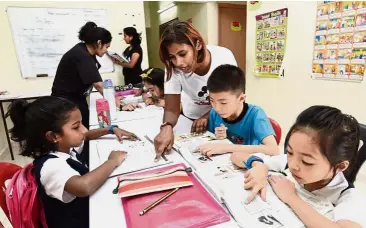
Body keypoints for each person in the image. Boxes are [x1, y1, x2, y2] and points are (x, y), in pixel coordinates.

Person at [7, 96, 138, 228]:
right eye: (76, 127)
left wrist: (111, 129)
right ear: (53, 136)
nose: (84, 130)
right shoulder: (49, 167)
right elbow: (84, 186)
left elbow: (86, 135)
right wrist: (112, 161)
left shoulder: (64, 146)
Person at [231, 105, 366, 227]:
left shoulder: (347, 196)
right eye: (290, 152)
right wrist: (258, 165)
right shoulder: (286, 163)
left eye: (307, 162)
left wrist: (291, 197)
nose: (293, 165)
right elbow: (237, 156)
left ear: (340, 166)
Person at [154, 20, 237, 159]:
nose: (178, 63)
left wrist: (207, 117)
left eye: (182, 54)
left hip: (222, 118)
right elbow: (171, 108)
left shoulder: (223, 57)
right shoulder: (173, 68)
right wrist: (167, 126)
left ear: (197, 44)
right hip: (192, 119)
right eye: (172, 57)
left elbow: (231, 98)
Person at [196, 65, 279, 157]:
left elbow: (273, 150)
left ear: (241, 98)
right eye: (212, 101)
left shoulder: (256, 114)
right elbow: (210, 141)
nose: (217, 108)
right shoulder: (214, 113)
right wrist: (219, 138)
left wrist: (225, 147)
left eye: (223, 103)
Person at [52, 21, 112, 129]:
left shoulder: (85, 51)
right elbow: (98, 85)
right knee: (81, 129)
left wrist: (114, 98)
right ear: (99, 43)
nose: (106, 50)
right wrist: (118, 103)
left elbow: (94, 78)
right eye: (106, 47)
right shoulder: (82, 55)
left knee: (85, 124)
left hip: (76, 97)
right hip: (67, 102)